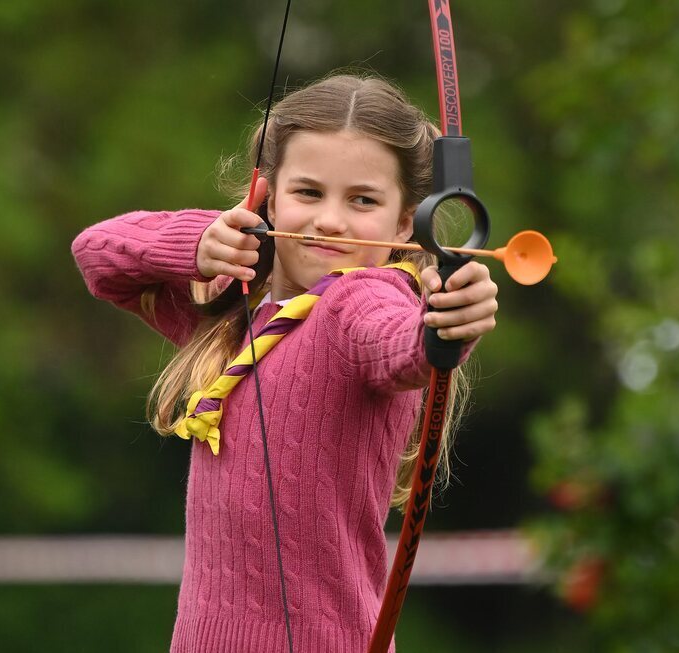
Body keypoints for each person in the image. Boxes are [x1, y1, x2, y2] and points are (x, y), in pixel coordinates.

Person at [72, 74, 498, 652]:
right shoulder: (231, 312)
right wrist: (201, 242)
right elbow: (97, 255)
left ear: (406, 224)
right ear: (267, 197)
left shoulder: (360, 299)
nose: (328, 220)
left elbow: (401, 346)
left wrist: (447, 324)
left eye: (363, 200)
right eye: (308, 192)